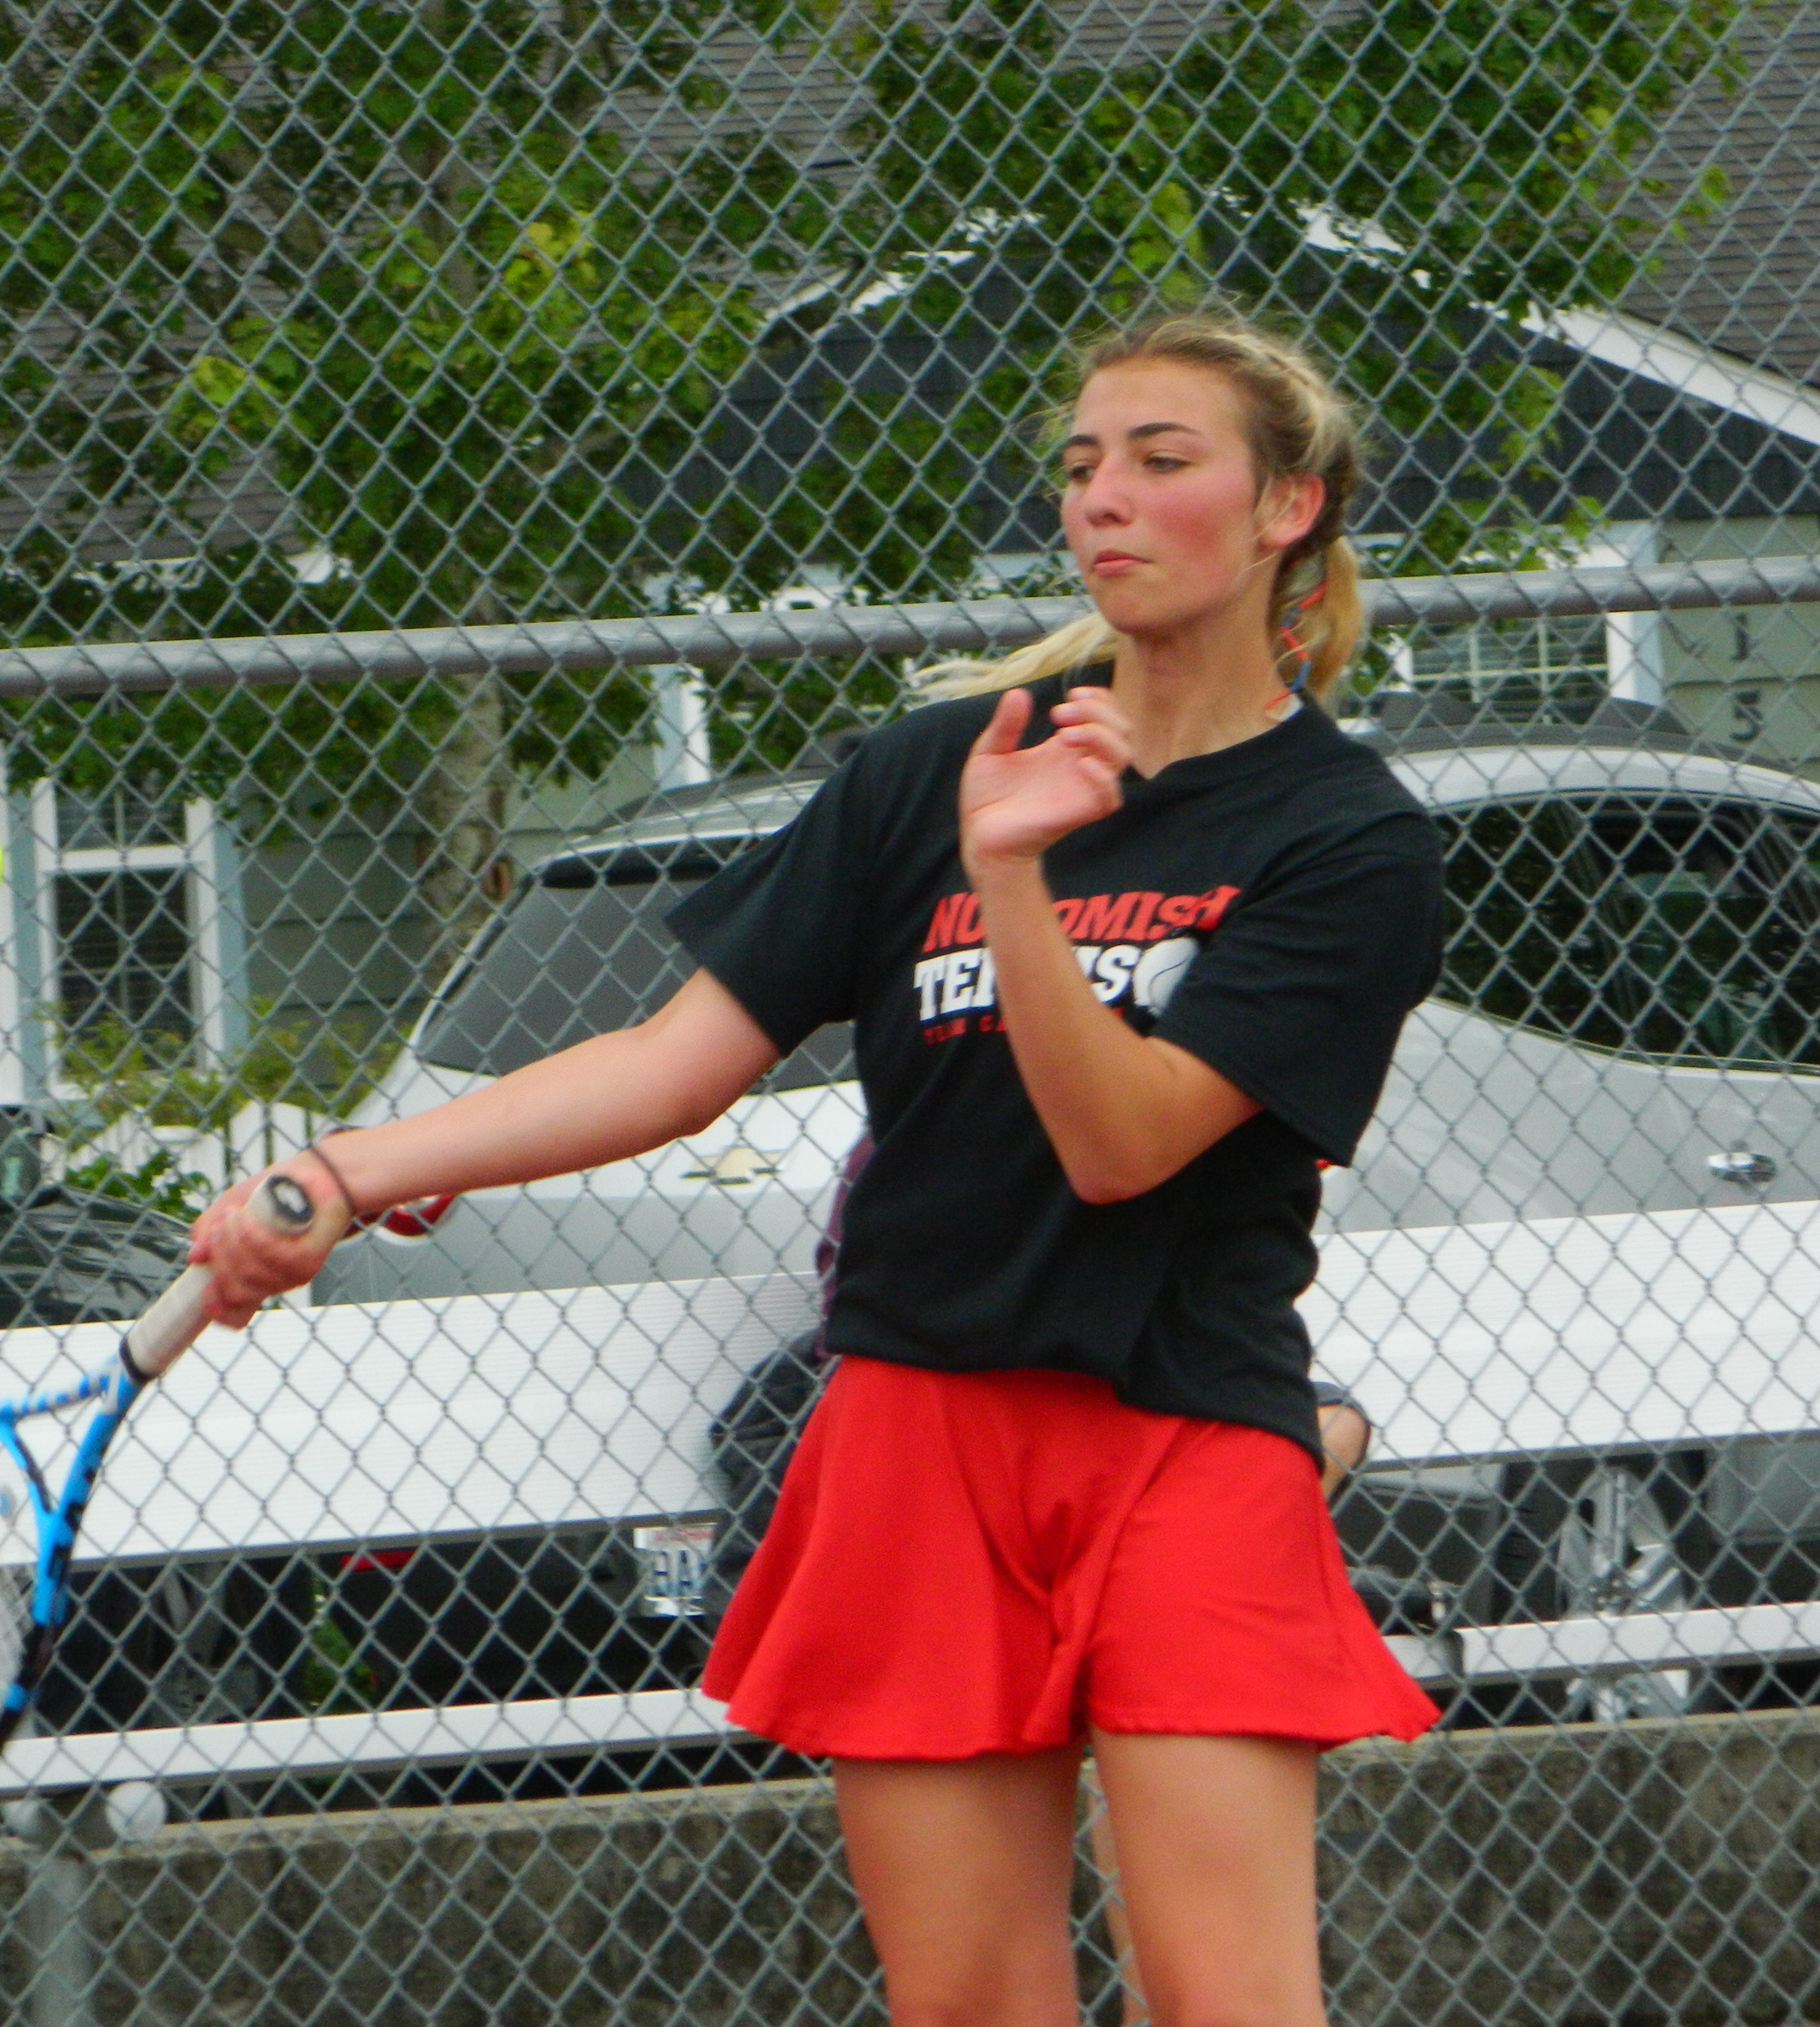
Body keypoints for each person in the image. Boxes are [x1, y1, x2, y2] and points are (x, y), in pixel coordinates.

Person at [193, 308, 1446, 2027]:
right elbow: (672, 1064)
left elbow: (1123, 1145)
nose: (1104, 498)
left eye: (1164, 462)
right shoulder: (936, 768)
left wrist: (1014, 882)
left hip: (1182, 1432)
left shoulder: (1344, 835)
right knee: (969, 2006)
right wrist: (346, 1171)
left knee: (1228, 2002)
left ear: (1286, 509)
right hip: (922, 1436)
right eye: (1083, 463)